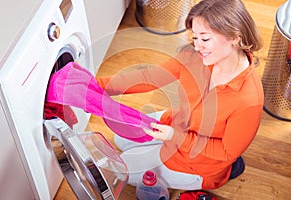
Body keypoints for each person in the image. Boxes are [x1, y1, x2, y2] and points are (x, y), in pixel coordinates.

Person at [96, 0, 263, 190]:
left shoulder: (249, 100)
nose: (198, 47)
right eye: (195, 38)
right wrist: (96, 86)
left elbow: (226, 153)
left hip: (195, 160)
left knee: (121, 167)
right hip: (174, 122)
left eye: (205, 39)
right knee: (121, 139)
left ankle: (220, 174)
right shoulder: (195, 57)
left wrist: (174, 136)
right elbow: (150, 77)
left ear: (235, 37)